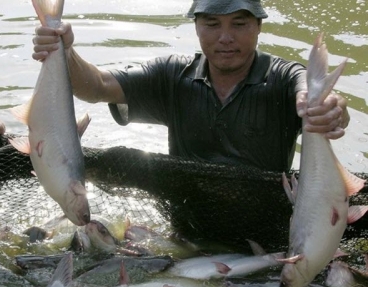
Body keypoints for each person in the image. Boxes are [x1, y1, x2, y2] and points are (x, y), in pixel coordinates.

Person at [32, 0, 349, 172]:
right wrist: (64, 50)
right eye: (212, 24)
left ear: (258, 27)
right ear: (196, 27)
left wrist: (330, 108)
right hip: (185, 233)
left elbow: (310, 89)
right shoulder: (172, 75)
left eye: (239, 24)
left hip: (264, 236)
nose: (225, 37)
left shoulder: (280, 76)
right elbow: (97, 87)